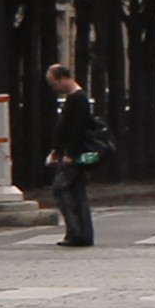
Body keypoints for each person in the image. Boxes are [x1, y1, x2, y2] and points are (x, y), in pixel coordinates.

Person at [46, 63, 96, 247]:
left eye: (54, 83)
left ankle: (75, 231)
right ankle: (81, 233)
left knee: (61, 189)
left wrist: (70, 154)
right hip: (69, 152)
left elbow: (78, 129)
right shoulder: (74, 98)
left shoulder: (78, 99)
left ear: (63, 78)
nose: (54, 88)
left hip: (72, 155)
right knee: (76, 191)